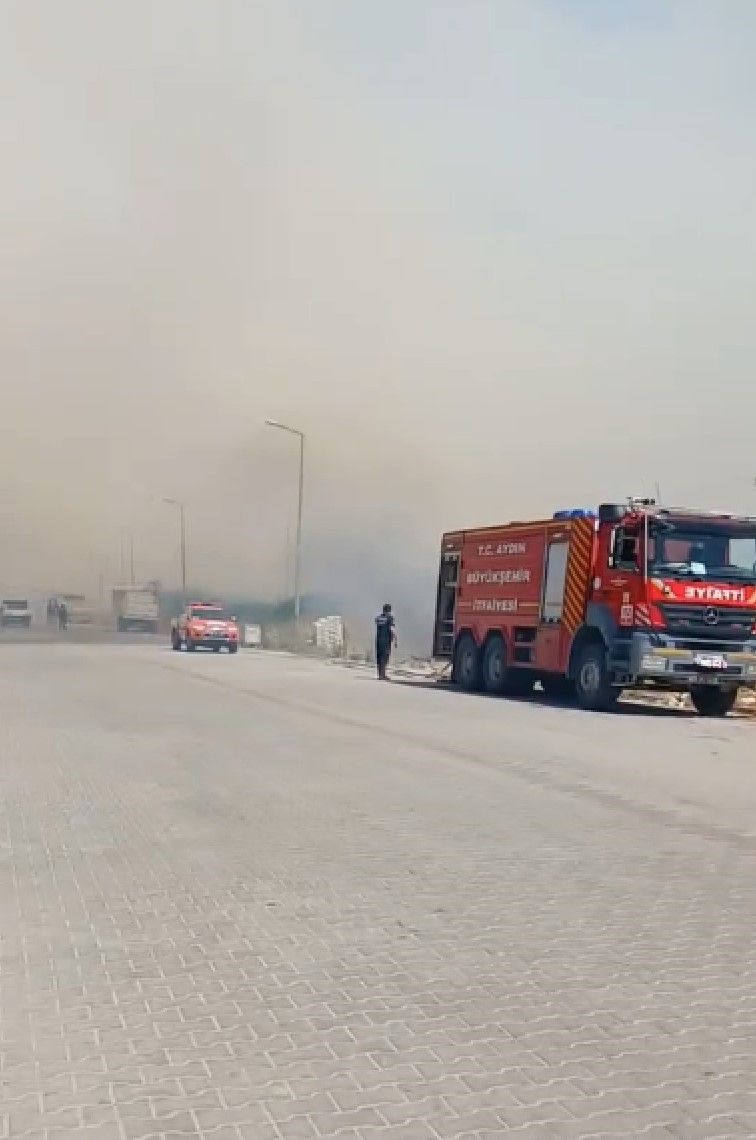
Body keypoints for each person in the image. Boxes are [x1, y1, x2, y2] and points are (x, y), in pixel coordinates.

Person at [375, 603, 396, 680]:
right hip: (386, 640)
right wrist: (394, 638)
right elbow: (392, 629)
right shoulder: (390, 618)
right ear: (389, 610)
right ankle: (383, 675)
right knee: (385, 657)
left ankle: (380, 674)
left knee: (379, 657)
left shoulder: (378, 618)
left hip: (378, 640)